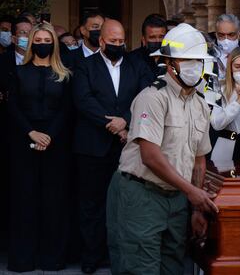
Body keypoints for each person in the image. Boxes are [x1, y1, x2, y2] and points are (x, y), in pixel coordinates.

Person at [106, 23, 218, 274]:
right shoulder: (153, 97)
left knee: (176, 266)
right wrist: (192, 193)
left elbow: (199, 159)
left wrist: (197, 207)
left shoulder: (200, 104)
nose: (194, 67)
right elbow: (150, 156)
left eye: (198, 61)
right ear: (169, 63)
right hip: (141, 195)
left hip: (176, 199)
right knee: (140, 267)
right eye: (186, 61)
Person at [72, 19, 152, 274]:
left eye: (121, 41)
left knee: (125, 204)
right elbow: (83, 100)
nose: (118, 45)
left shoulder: (136, 65)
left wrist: (126, 122)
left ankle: (120, 256)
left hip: (126, 147)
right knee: (91, 205)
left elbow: (145, 96)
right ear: (102, 41)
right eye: (113, 41)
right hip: (93, 146)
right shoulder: (84, 66)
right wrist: (112, 124)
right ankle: (91, 257)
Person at [7, 22, 72, 272]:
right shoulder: (19, 72)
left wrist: (49, 136)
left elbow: (67, 109)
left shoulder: (64, 73)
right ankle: (22, 260)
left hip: (55, 145)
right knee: (24, 201)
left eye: (47, 41)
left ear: (53, 44)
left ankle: (52, 258)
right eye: (39, 40)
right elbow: (13, 106)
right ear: (31, 42)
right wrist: (31, 133)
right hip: (24, 142)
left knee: (53, 202)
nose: (43, 45)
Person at [0, 16, 33, 250]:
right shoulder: (3, 61)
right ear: (13, 37)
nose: (23, 37)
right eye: (19, 33)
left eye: (27, 33)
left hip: (38, 131)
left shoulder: (46, 61)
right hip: (8, 130)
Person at [128, 13, 167, 79]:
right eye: (152, 37)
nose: (157, 41)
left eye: (161, 37)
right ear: (143, 40)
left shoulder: (171, 59)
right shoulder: (131, 60)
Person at [215, 13, 240, 81]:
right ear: (216, 35)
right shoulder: (208, 57)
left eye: (231, 35)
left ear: (239, 35)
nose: (226, 39)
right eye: (221, 35)